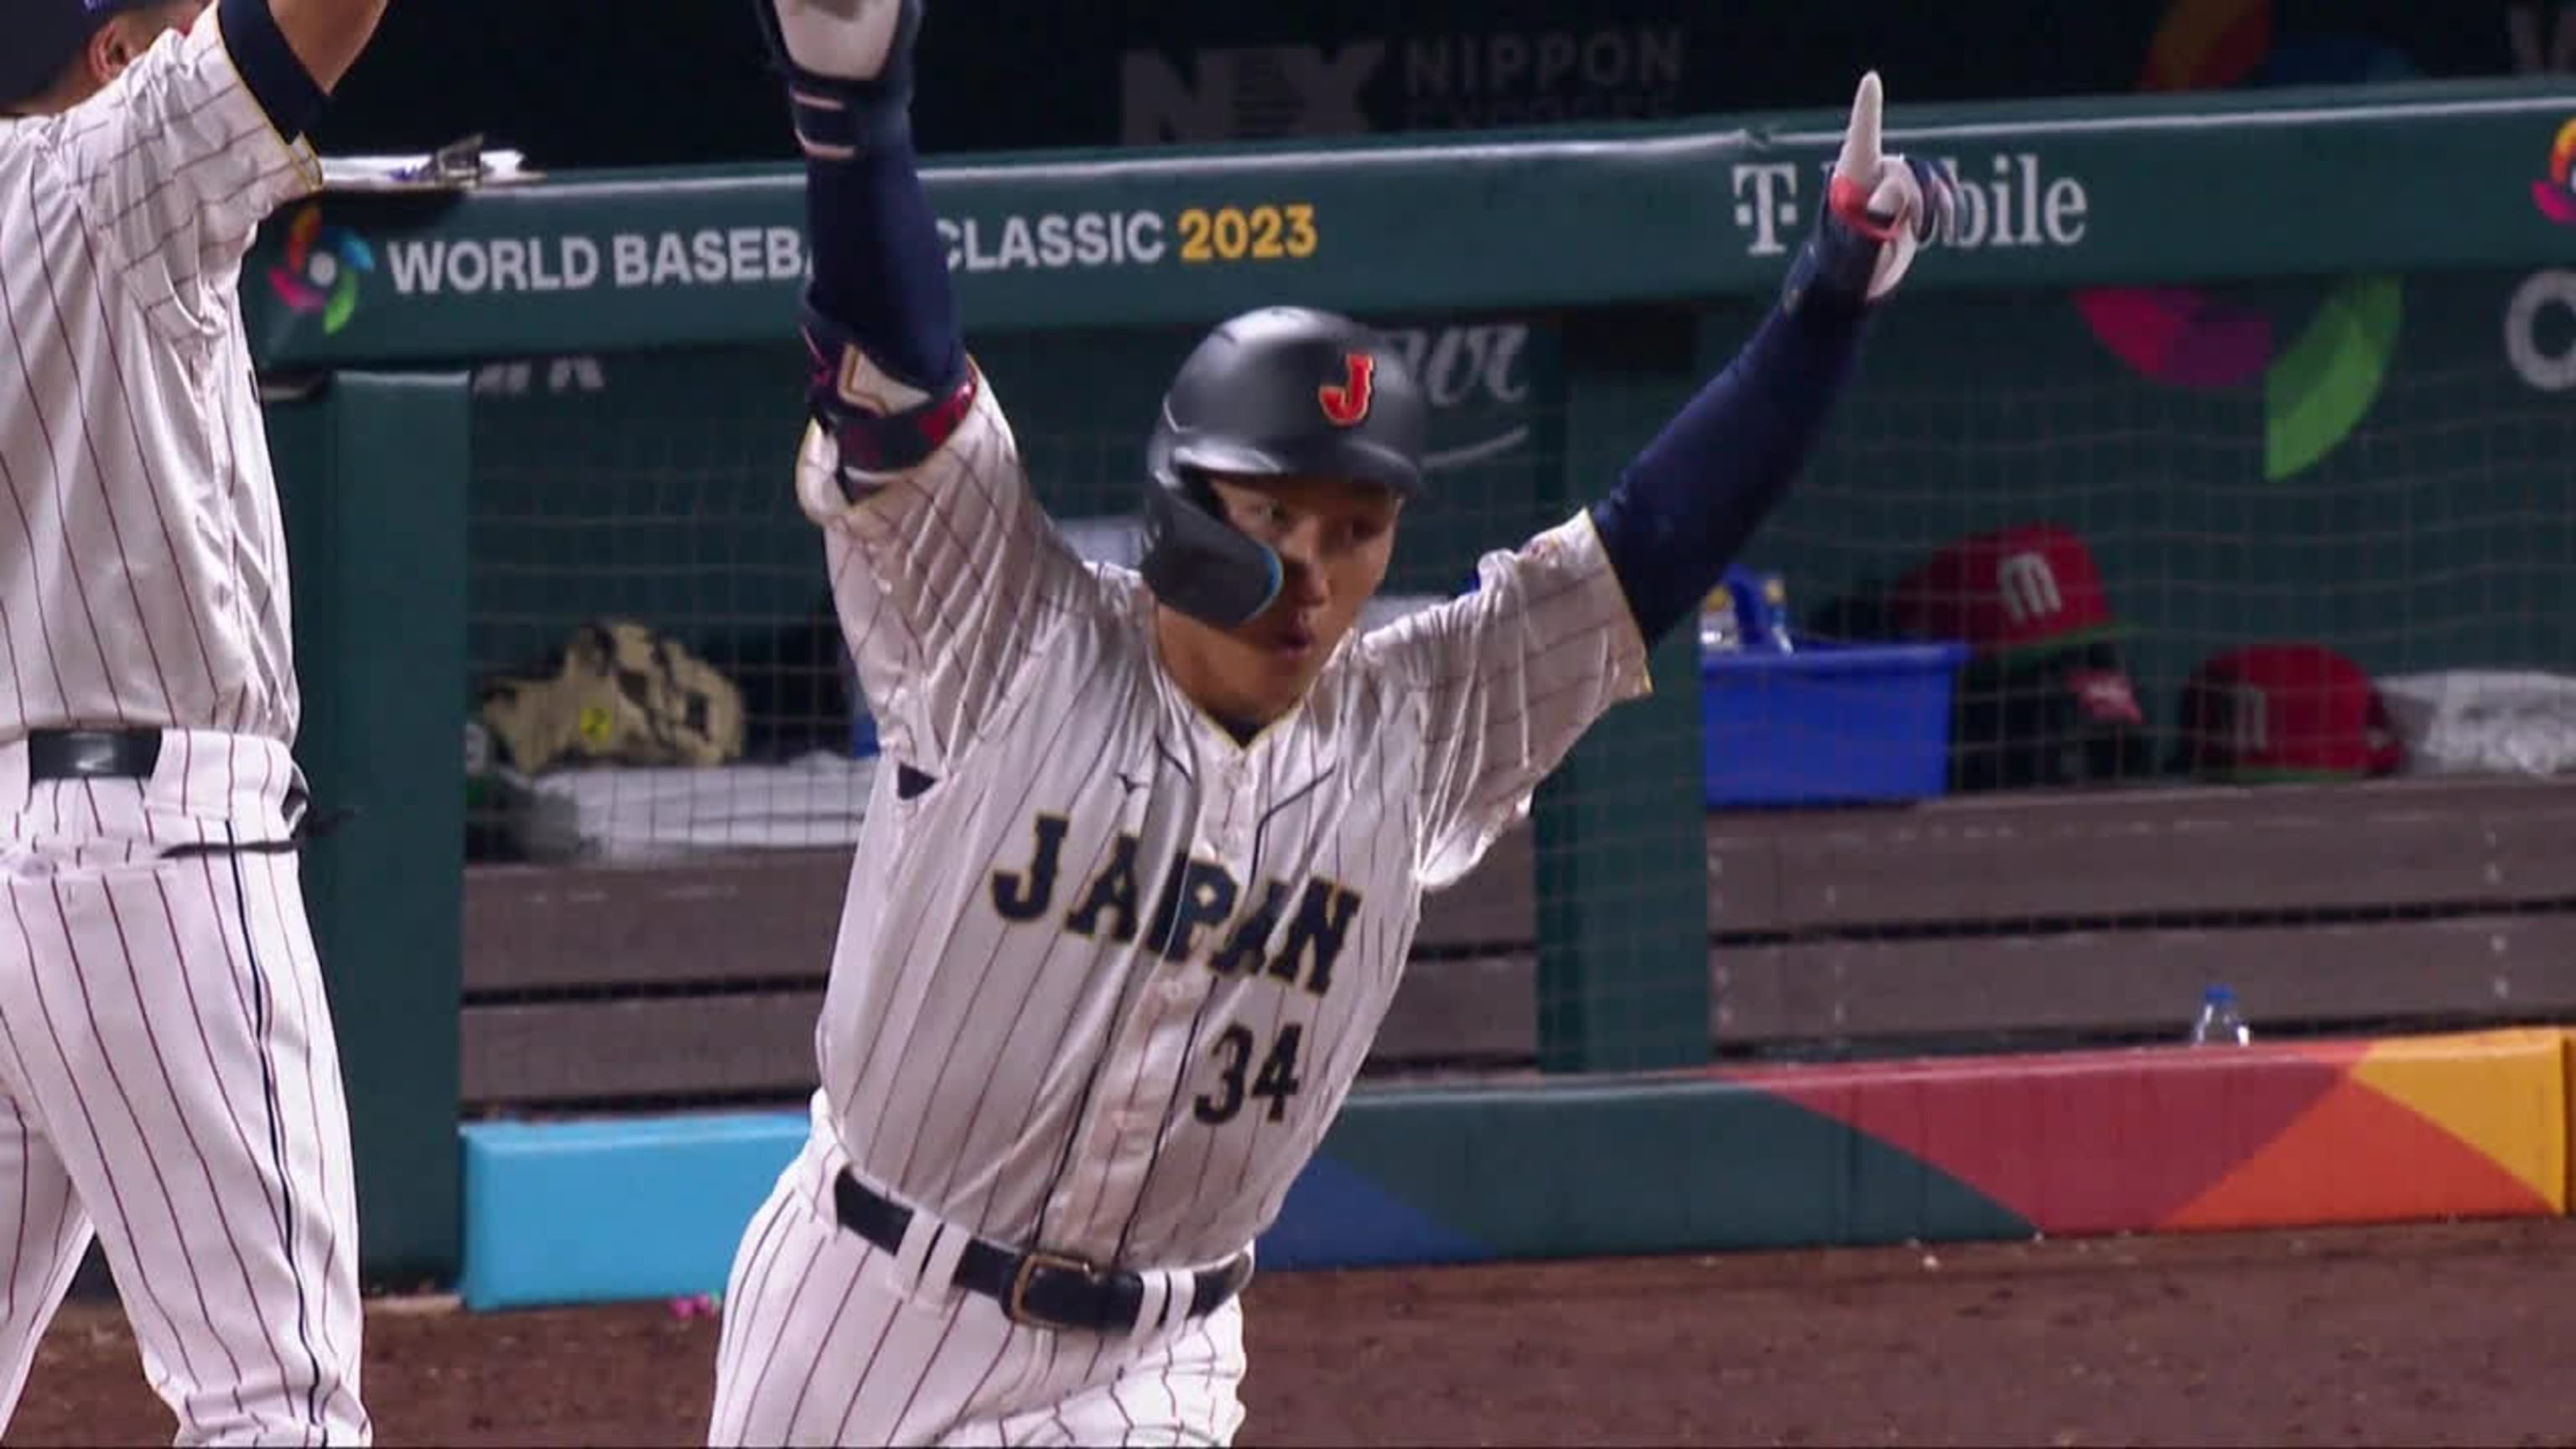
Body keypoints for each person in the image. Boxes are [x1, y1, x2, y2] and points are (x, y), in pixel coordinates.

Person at [710, 0, 1955, 1441]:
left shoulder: (1417, 723)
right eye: (1274, 515)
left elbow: (1648, 548)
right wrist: (854, 114)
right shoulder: (1007, 635)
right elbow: (902, 378)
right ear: (1183, 507)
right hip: (861, 1303)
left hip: (1145, 1368)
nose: (1317, 571)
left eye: (1358, 529)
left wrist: (1825, 307)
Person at [0, 0, 392, 1441]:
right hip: (149, 850)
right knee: (273, 1403)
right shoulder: (110, 170)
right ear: (110, 59)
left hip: (12, 860)